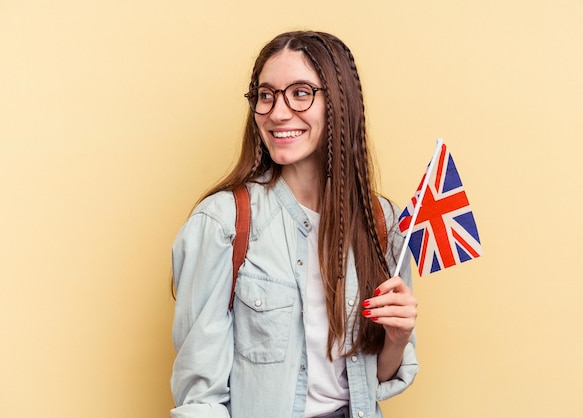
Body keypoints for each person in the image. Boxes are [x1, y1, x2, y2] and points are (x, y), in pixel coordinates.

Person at [170, 30, 418, 418]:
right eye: (266, 95)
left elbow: (375, 378)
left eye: (301, 93)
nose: (278, 112)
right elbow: (200, 398)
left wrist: (398, 338)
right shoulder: (223, 223)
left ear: (338, 102)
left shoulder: (380, 222)